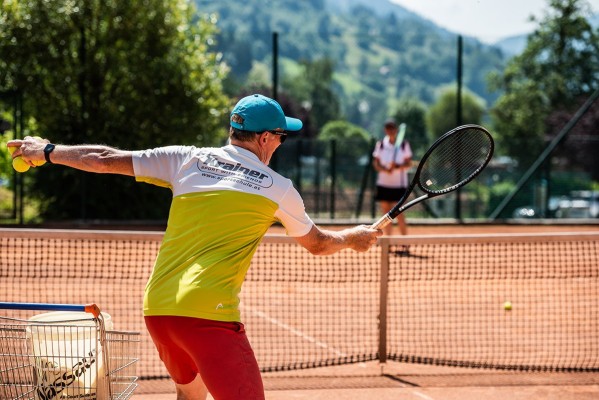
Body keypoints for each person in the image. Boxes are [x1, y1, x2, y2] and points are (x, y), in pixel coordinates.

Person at [8, 93, 382, 400]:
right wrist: (353, 237)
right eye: (281, 137)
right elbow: (316, 244)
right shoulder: (278, 186)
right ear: (266, 139)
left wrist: (46, 150)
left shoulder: (187, 158)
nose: (280, 144)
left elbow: (101, 160)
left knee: (190, 397)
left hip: (158, 310)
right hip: (209, 317)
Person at [372, 118, 413, 242]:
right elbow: (376, 164)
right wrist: (385, 169)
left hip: (399, 185)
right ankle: (388, 242)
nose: (390, 130)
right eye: (388, 128)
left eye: (392, 128)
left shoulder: (404, 145)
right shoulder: (381, 144)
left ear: (396, 130)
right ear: (385, 130)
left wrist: (397, 166)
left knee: (399, 214)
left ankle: (404, 242)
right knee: (386, 215)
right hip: (384, 184)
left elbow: (408, 164)